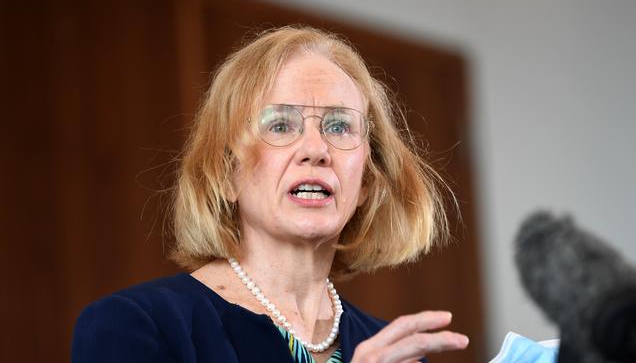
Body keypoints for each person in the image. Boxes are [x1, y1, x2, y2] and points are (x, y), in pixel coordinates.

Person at [71, 26, 469, 363]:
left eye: (339, 126)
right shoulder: (134, 325)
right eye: (280, 125)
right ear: (225, 172)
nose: (316, 149)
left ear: (366, 181)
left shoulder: (392, 349)